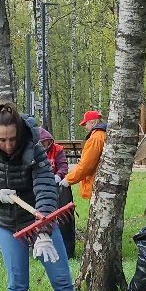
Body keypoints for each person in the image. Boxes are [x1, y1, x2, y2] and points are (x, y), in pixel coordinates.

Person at [0, 102, 77, 291]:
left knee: (62, 282)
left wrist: (43, 229)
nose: (8, 145)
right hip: (8, 224)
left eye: (13, 139)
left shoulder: (33, 150)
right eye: (2, 140)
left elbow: (45, 187)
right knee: (17, 287)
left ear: (20, 133)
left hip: (39, 219)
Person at [61, 110, 106, 258]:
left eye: (85, 124)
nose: (85, 127)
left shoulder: (95, 138)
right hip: (102, 184)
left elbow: (86, 166)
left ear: (92, 122)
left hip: (97, 185)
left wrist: (68, 180)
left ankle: (97, 250)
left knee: (99, 220)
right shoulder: (103, 135)